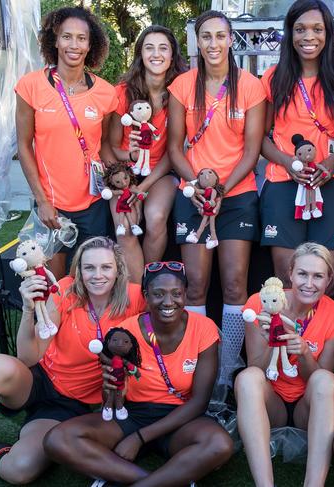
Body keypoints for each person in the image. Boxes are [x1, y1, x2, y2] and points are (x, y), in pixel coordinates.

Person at [44, 262, 234, 486]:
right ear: (146, 295)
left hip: (182, 417)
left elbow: (200, 402)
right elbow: (112, 401)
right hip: (132, 414)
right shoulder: (125, 331)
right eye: (158, 294)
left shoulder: (204, 328)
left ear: (186, 294)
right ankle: (166, 480)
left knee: (220, 444)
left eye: (176, 293)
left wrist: (140, 437)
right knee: (57, 439)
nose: (168, 302)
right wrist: (110, 388)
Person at [0, 237, 144, 484]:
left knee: (20, 469)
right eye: (89, 267)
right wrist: (29, 310)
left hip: (68, 408)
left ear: (119, 270)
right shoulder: (65, 290)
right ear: (79, 271)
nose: (97, 275)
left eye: (106, 267)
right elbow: (28, 357)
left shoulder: (135, 298)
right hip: (39, 380)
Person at [167, 10, 266, 388]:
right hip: (192, 196)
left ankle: (225, 372)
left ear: (231, 40)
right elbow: (175, 149)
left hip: (237, 195)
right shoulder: (183, 85)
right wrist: (196, 187)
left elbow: (251, 151)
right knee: (194, 284)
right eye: (205, 37)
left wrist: (221, 190)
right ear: (197, 42)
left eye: (220, 36)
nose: (213, 44)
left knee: (234, 284)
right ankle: (193, 368)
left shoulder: (252, 86)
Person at [259, 0, 334, 288]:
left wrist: (331, 163)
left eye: (317, 29)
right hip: (283, 182)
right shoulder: (273, 77)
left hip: (329, 182)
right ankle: (287, 333)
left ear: (328, 33)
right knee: (287, 278)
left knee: (324, 276)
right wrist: (288, 162)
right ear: (290, 33)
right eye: (300, 29)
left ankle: (319, 334)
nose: (309, 37)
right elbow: (260, 141)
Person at [235, 243, 334, 487]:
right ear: (290, 272)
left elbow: (322, 382)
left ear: (329, 279)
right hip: (272, 403)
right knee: (247, 378)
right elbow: (257, 367)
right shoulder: (261, 302)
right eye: (303, 274)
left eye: (318, 276)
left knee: (327, 380)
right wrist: (272, 341)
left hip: (307, 409)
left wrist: (305, 352)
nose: (309, 283)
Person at [15, 6, 117, 279]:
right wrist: (42, 201)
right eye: (67, 36)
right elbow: (23, 146)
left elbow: (104, 145)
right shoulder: (31, 86)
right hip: (51, 207)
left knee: (91, 282)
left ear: (91, 43)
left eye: (81, 38)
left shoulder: (106, 93)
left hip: (93, 205)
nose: (74, 45)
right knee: (55, 286)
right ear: (55, 40)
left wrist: (124, 169)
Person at [110, 25, 188, 283]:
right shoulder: (122, 91)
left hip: (160, 173)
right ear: (140, 54)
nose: (156, 54)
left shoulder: (179, 91)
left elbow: (172, 152)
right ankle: (133, 291)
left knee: (155, 218)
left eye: (163, 47)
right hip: (125, 173)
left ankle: (148, 285)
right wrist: (129, 159)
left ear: (173, 54)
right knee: (125, 227)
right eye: (149, 47)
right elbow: (111, 146)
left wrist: (143, 187)